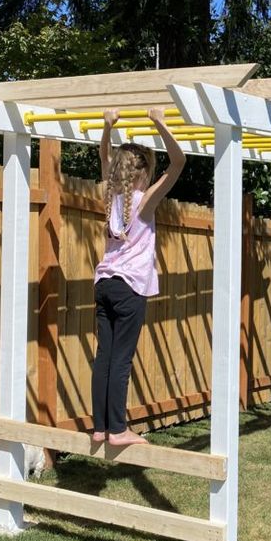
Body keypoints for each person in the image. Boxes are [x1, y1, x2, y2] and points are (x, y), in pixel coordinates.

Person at [91, 107, 186, 446]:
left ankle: (100, 428)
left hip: (104, 284)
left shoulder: (111, 195)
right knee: (121, 358)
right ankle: (117, 430)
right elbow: (179, 162)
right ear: (143, 175)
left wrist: (107, 126)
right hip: (129, 288)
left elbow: (103, 155)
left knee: (104, 355)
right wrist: (159, 122)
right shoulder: (144, 201)